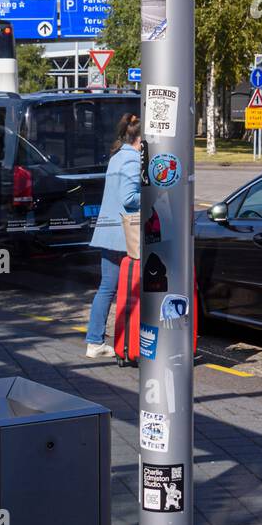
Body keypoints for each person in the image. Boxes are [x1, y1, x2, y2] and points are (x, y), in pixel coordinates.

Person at [85, 112, 141, 358]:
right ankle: (130, 338)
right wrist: (156, 194)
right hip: (124, 235)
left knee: (107, 287)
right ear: (141, 139)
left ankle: (94, 342)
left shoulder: (117, 156)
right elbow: (129, 198)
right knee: (130, 288)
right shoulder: (132, 160)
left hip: (109, 231)